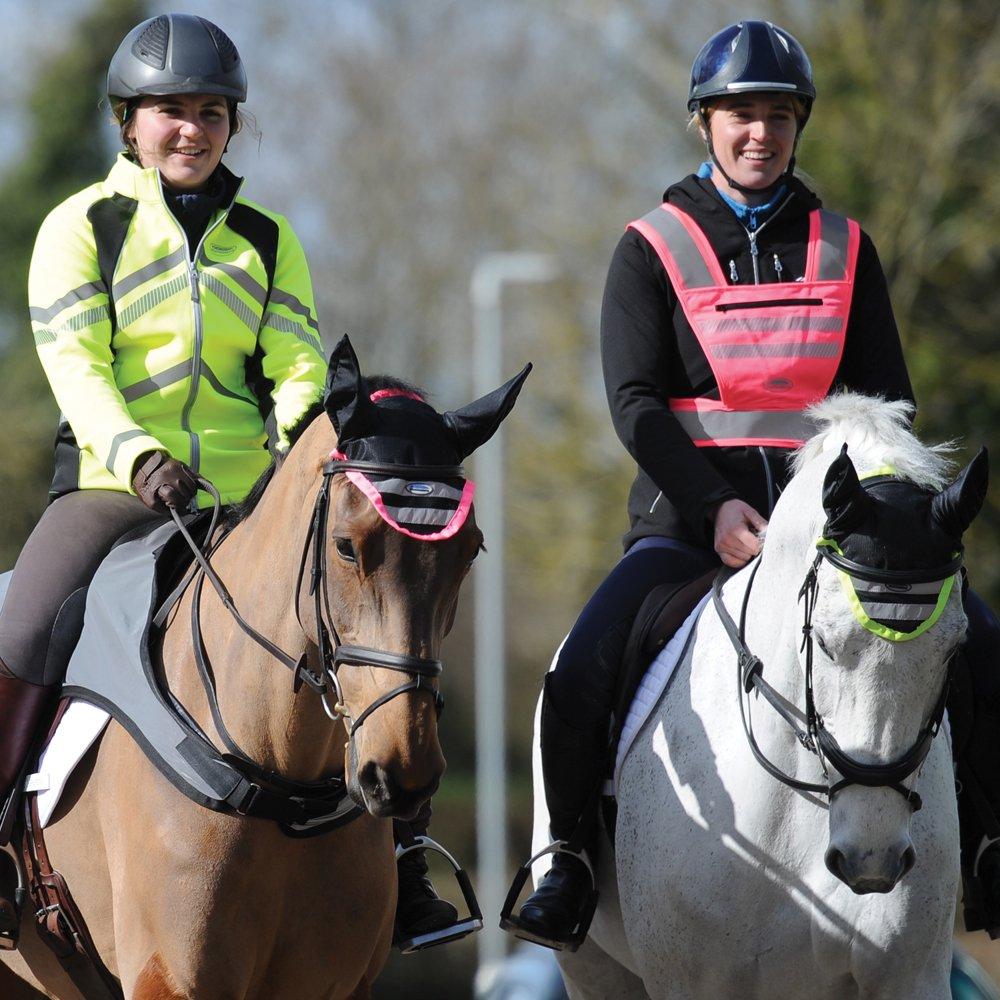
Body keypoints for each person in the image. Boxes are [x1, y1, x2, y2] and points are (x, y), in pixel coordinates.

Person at [505, 19, 1000, 949]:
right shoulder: (650, 246)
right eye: (739, 114)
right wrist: (712, 503)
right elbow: (636, 403)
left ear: (799, 125)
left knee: (982, 647)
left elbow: (889, 402)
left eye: (777, 115)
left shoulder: (849, 248)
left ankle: (989, 851)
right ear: (705, 123)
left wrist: (858, 520)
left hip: (839, 535)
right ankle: (565, 862)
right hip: (691, 527)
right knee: (578, 671)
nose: (758, 133)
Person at [0, 12, 459, 950]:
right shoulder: (80, 227)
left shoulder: (267, 235)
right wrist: (137, 456)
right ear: (129, 121)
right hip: (112, 493)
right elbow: (77, 368)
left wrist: (304, 456)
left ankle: (403, 863)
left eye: (211, 111)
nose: (192, 129)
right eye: (170, 111)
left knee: (367, 626)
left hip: (248, 503)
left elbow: (295, 365)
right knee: (22, 628)